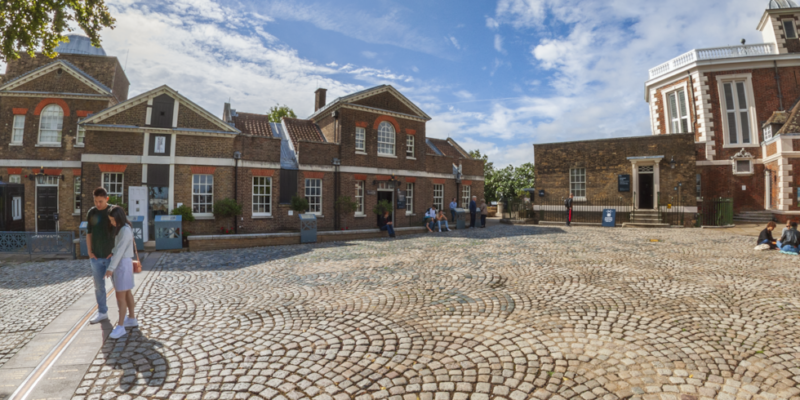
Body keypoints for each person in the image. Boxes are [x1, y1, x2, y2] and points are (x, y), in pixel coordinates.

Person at [105, 206, 138, 339]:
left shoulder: (124, 230)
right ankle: (131, 318)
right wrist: (112, 252)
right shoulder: (126, 228)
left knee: (120, 297)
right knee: (127, 292)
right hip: (125, 263)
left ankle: (120, 326)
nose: (112, 223)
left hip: (122, 265)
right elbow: (119, 249)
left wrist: (110, 268)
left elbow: (120, 251)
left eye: (113, 220)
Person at [86, 187, 114, 324]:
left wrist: (114, 252)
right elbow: (89, 233)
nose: (98, 204)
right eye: (96, 201)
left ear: (107, 199)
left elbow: (119, 233)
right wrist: (90, 252)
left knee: (119, 286)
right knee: (98, 287)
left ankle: (124, 315)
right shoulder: (91, 212)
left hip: (111, 256)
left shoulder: (112, 211)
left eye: (101, 201)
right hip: (96, 257)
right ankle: (102, 312)